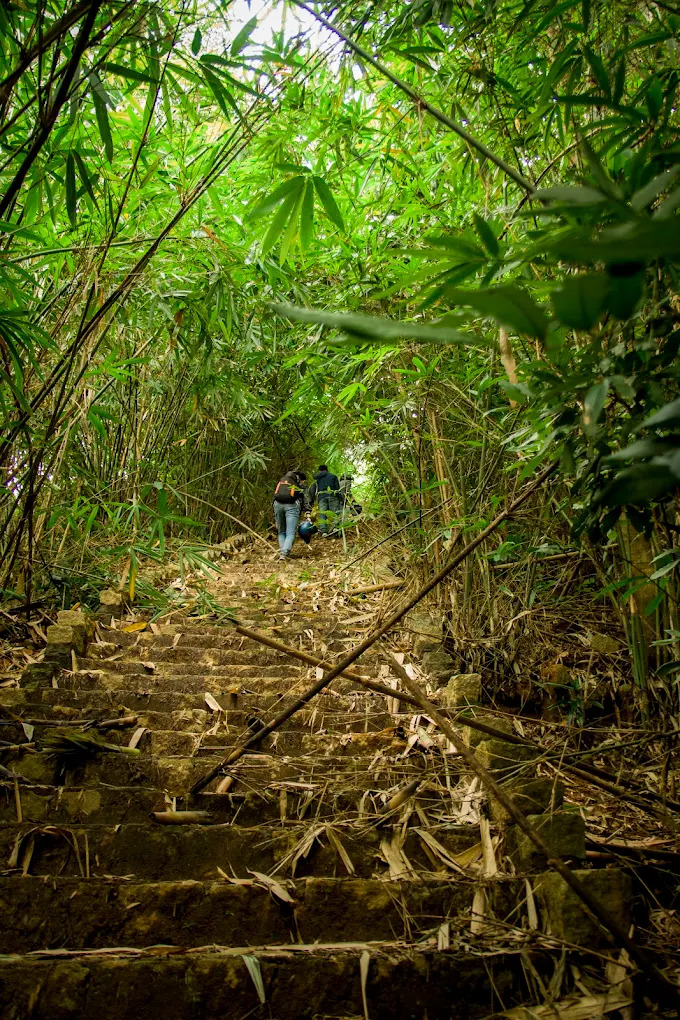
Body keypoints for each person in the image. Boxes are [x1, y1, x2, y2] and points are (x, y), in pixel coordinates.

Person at [273, 469, 310, 561]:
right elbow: (305, 499)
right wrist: (308, 512)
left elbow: (275, 496)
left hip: (277, 505)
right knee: (290, 532)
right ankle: (284, 553)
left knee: (281, 532)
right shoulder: (299, 484)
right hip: (292, 506)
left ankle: (282, 551)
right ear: (301, 479)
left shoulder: (282, 481)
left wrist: (275, 517)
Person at [309, 464, 341, 537]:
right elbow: (337, 488)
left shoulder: (317, 479)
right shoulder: (333, 476)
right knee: (335, 512)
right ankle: (335, 527)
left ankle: (324, 531)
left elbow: (313, 489)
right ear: (327, 469)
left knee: (322, 514)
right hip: (333, 496)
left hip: (322, 497)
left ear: (319, 470)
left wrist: (313, 499)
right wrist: (339, 498)